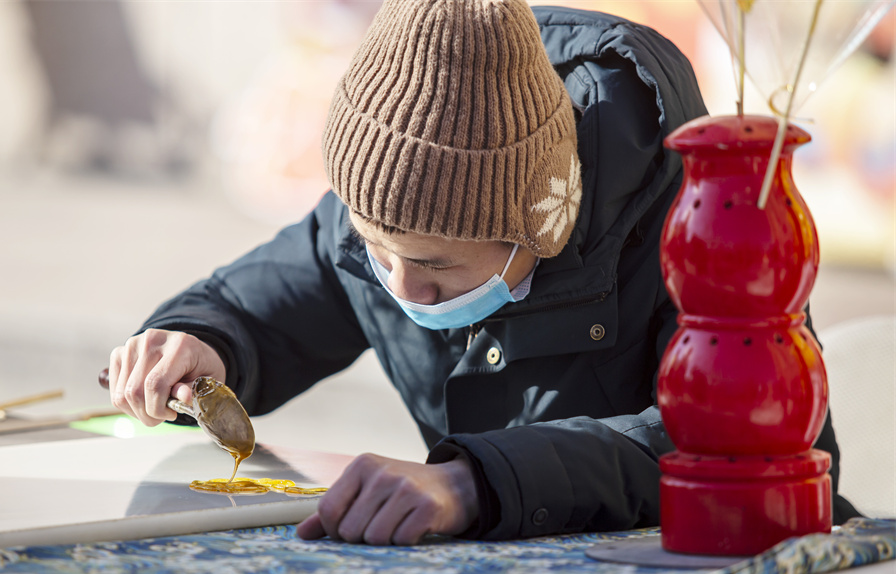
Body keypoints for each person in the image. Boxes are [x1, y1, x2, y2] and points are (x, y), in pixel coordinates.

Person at [108, 0, 858, 546]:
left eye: (437, 265)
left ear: (541, 221)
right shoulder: (380, 222)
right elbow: (265, 302)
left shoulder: (703, 221)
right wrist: (198, 340)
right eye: (376, 247)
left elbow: (757, 447)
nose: (400, 286)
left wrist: (479, 483)